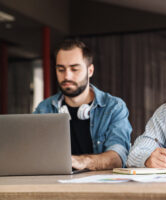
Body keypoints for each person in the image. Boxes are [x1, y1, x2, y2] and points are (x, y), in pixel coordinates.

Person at [34, 39, 132, 170]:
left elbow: (118, 157)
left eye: (74, 69)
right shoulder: (44, 109)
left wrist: (82, 161)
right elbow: (33, 153)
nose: (67, 76)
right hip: (55, 185)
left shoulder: (114, 107)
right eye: (61, 69)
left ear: (90, 70)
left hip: (100, 187)